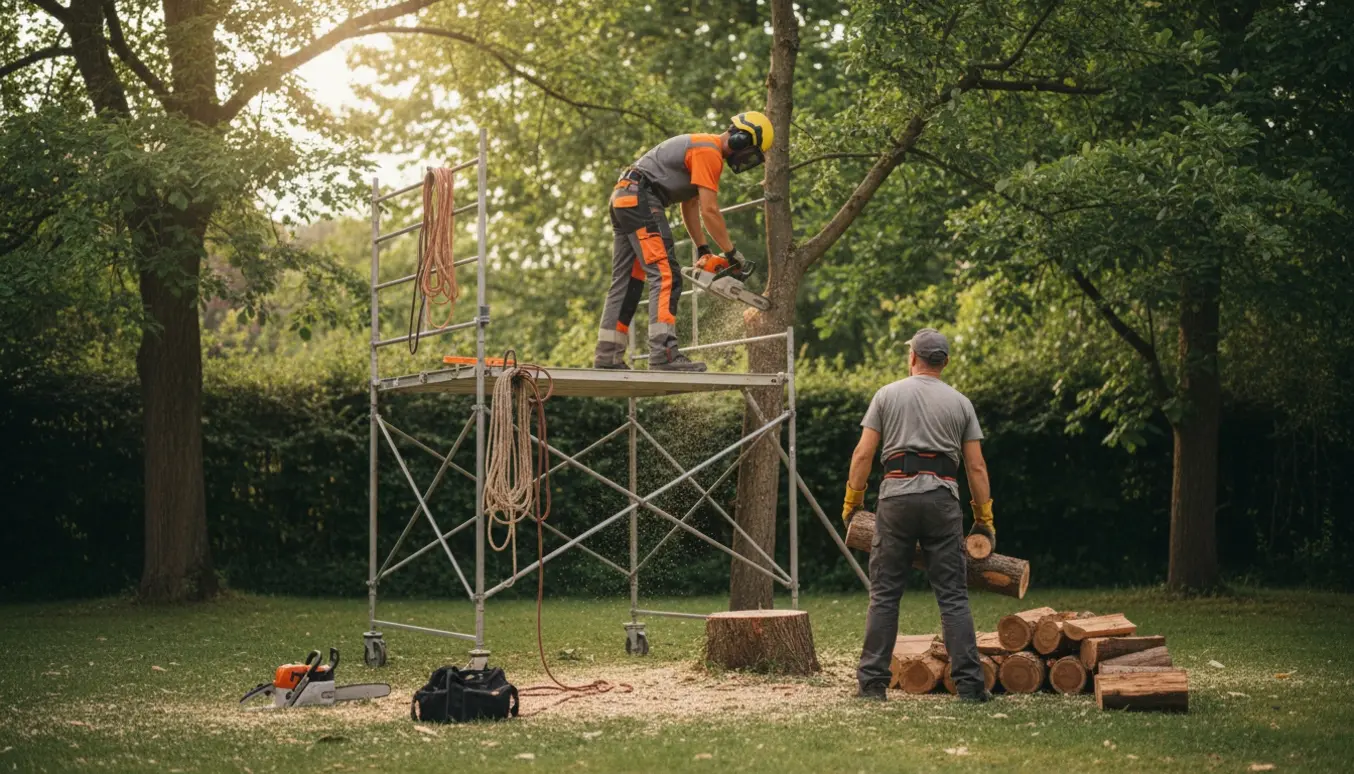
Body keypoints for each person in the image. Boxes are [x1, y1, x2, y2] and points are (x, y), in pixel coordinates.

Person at [842, 328, 996, 701]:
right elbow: (976, 467)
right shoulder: (961, 403)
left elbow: (863, 454)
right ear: (945, 362)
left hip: (895, 500)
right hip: (943, 501)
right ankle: (971, 686)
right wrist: (984, 519)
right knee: (953, 595)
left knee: (884, 595)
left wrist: (852, 502)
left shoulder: (886, 395)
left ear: (912, 357)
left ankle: (872, 685)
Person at [593, 111, 774, 371]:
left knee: (628, 281)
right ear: (741, 139)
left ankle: (607, 357)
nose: (747, 159)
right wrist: (732, 253)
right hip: (642, 198)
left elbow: (690, 206)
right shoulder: (710, 152)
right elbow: (709, 211)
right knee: (666, 275)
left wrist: (703, 248)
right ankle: (663, 355)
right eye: (751, 152)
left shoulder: (702, 147)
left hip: (624, 198)